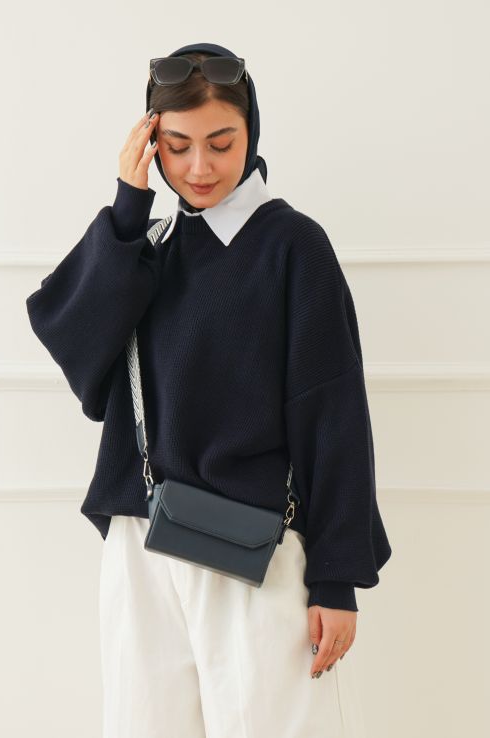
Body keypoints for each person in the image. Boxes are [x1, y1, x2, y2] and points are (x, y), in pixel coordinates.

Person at [26, 41, 392, 738]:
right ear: (150, 143)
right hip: (141, 543)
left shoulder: (293, 247)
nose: (199, 167)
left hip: (254, 552)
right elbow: (76, 347)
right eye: (177, 146)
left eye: (221, 143)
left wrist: (336, 577)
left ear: (252, 131)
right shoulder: (145, 246)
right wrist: (127, 208)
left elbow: (334, 417)